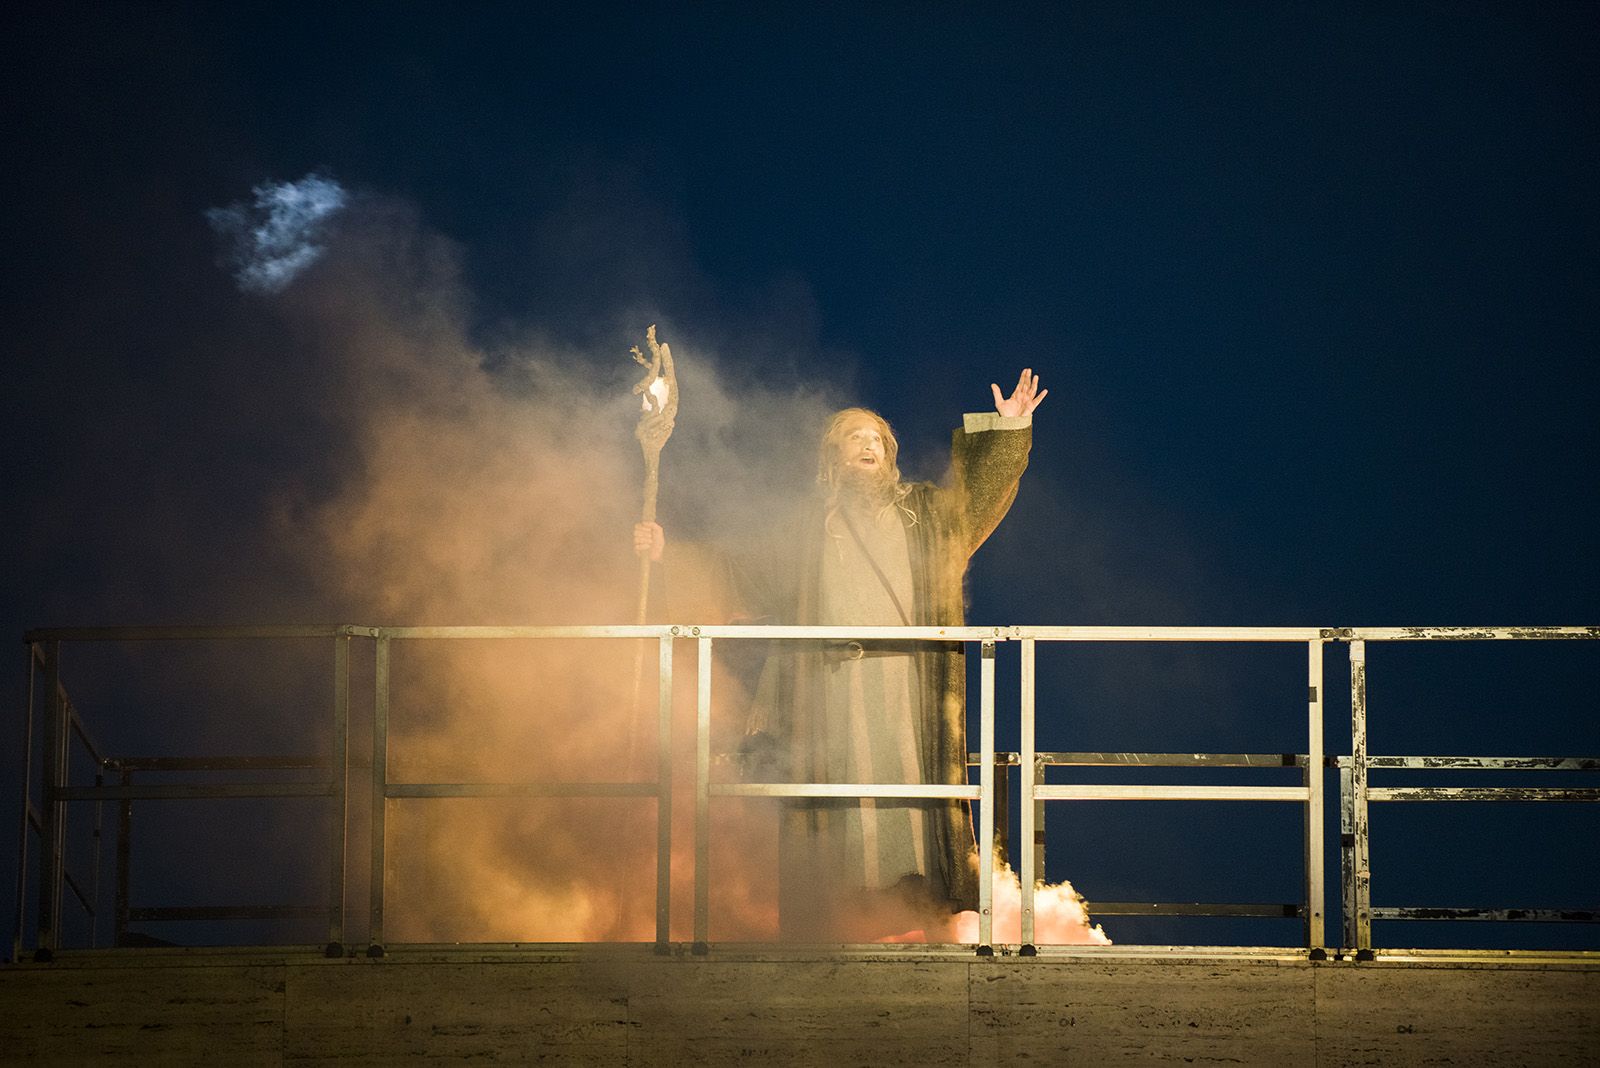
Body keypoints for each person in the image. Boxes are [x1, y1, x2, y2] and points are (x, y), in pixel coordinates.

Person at [635, 369, 1046, 939]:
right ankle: (842, 920)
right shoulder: (806, 530)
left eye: (876, 438)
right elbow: (736, 569)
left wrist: (1008, 428)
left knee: (918, 806)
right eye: (854, 437)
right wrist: (665, 554)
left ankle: (925, 918)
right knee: (837, 810)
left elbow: (979, 498)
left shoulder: (926, 514)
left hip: (911, 691)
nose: (868, 444)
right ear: (832, 457)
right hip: (832, 693)